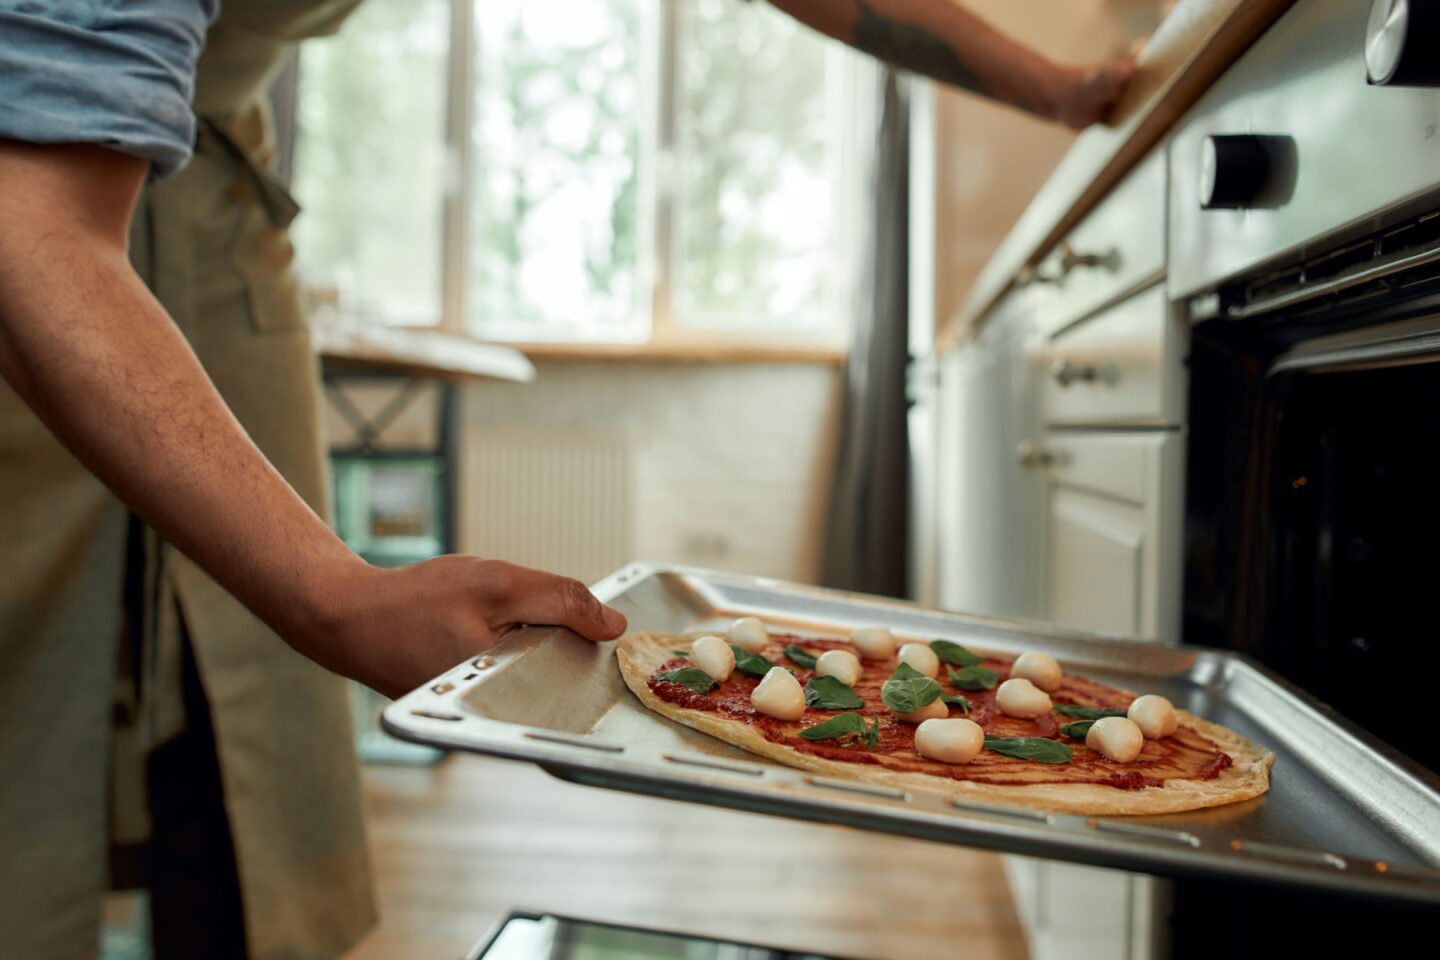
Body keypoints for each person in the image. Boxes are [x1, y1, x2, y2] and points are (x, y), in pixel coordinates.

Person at [0, 1, 1134, 957]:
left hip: (214, 229)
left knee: (254, 758)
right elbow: (33, 223)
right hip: (35, 231)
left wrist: (1057, 91)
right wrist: (336, 593)